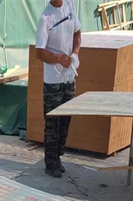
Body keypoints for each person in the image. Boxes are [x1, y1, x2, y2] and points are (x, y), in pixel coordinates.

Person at [36, 0, 81, 178]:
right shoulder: (45, 18)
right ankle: (50, 162)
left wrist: (75, 53)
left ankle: (58, 156)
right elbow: (39, 52)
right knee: (53, 122)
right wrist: (58, 58)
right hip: (53, 79)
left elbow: (77, 33)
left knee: (66, 119)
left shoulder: (69, 6)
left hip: (69, 75)